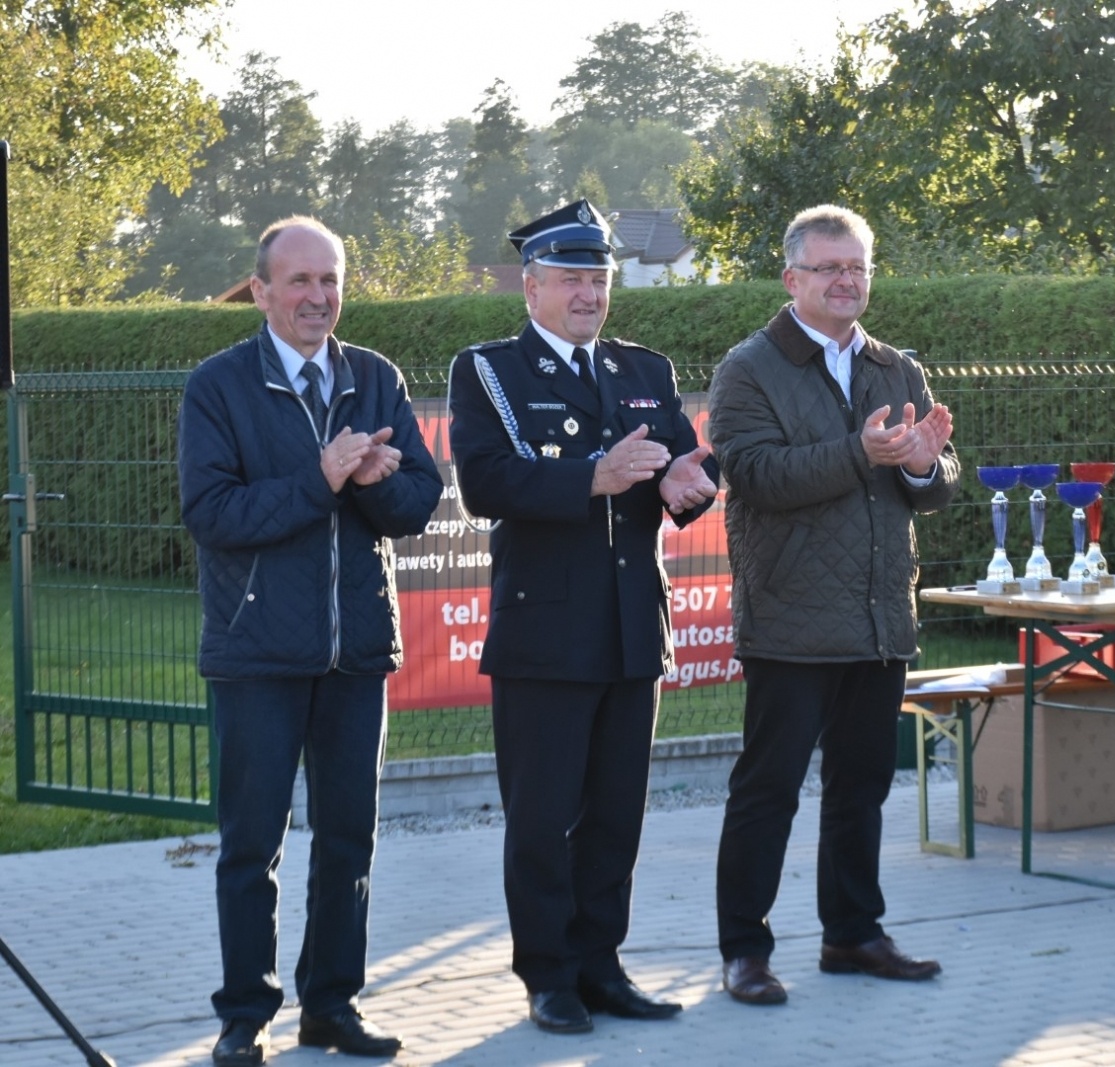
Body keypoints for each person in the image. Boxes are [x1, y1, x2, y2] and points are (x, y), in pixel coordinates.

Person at [447, 199, 719, 1035]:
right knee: (542, 817)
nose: (589, 294)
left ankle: (602, 965)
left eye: (598, 278)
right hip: (544, 631)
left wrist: (686, 488)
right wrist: (589, 479)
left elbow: (679, 466)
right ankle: (548, 975)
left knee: (614, 815)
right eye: (571, 278)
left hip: (633, 625)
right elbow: (484, 484)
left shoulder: (645, 370)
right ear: (531, 287)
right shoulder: (492, 370)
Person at [178, 217, 443, 1065]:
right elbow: (213, 516)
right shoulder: (218, 386)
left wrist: (374, 481)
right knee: (251, 844)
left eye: (329, 281)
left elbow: (416, 506)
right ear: (259, 292)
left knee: (348, 840)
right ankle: (244, 1015)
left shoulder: (374, 377)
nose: (317, 298)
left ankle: (332, 1005)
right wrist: (321, 477)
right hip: (257, 654)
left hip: (356, 649)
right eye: (298, 282)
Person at [708, 204, 958, 1007]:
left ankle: (852, 932)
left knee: (863, 786)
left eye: (858, 267)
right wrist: (863, 453)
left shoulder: (895, 366)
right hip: (790, 617)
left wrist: (923, 464)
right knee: (768, 790)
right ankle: (744, 949)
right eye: (829, 268)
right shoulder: (748, 368)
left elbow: (935, 481)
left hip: (880, 615)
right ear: (792, 279)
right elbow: (754, 475)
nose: (847, 281)